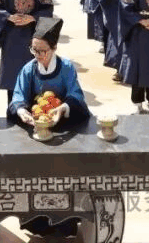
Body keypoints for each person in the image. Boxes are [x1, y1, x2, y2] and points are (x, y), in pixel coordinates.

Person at [8, 17, 89, 239]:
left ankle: (66, 223)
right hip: (36, 129)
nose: (37, 55)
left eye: (42, 51)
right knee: (35, 175)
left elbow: (75, 95)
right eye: (33, 50)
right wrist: (21, 111)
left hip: (63, 130)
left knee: (64, 175)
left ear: (54, 48)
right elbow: (18, 96)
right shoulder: (28, 69)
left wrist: (62, 108)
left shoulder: (66, 68)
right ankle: (37, 223)